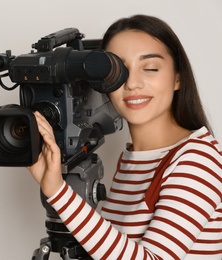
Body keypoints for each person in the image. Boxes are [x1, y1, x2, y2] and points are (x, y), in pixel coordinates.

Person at [27, 15, 222, 259]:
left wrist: (58, 192)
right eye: (117, 71)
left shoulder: (197, 160)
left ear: (178, 77)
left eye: (150, 68)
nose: (132, 84)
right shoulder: (134, 158)